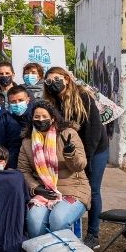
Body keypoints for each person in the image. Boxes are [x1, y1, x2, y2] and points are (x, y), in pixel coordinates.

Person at [42, 66, 107, 249]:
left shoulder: (83, 98)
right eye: (49, 81)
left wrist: (84, 161)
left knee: (92, 189)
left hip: (94, 150)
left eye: (57, 79)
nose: (53, 84)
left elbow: (92, 133)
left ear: (67, 79)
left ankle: (93, 234)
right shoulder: (52, 103)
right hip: (69, 153)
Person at [17, 101, 89, 239]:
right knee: (34, 220)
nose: (41, 120)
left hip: (73, 189)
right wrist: (36, 188)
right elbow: (23, 170)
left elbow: (80, 166)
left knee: (58, 219)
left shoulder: (67, 134)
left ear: (53, 118)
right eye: (36, 117)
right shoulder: (27, 141)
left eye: (44, 116)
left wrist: (70, 154)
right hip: (44, 192)